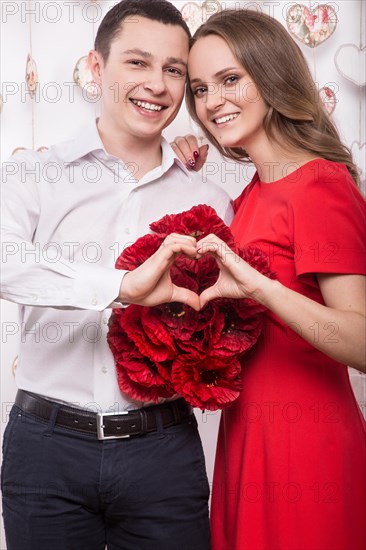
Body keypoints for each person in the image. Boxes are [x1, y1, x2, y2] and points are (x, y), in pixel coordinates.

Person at [0, 1, 233, 549]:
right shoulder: (37, 173)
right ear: (96, 68)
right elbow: (7, 265)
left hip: (163, 450)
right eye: (137, 63)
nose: (156, 84)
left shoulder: (210, 198)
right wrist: (118, 288)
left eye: (173, 70)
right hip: (46, 448)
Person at [172, 8, 366, 550]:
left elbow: (362, 341)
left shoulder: (321, 185)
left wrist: (263, 289)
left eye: (231, 79)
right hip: (246, 442)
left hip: (307, 451)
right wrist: (173, 161)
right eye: (200, 88)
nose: (212, 102)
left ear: (272, 73)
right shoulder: (249, 197)